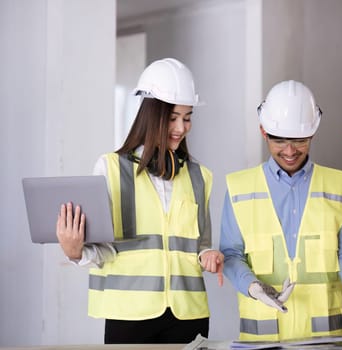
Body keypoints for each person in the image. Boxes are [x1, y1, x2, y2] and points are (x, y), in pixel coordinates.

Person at [56, 58, 224, 344]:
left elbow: (198, 247)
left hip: (188, 316)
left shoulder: (200, 176)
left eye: (187, 117)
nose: (181, 127)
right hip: (129, 316)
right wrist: (75, 252)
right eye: (173, 117)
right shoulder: (110, 169)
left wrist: (209, 256)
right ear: (151, 114)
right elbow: (105, 248)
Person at [220, 80, 342, 341]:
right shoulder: (239, 188)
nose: (289, 151)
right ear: (263, 131)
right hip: (262, 342)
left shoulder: (339, 186)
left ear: (313, 133)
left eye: (299, 140)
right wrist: (252, 287)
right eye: (279, 140)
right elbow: (230, 254)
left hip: (325, 340)